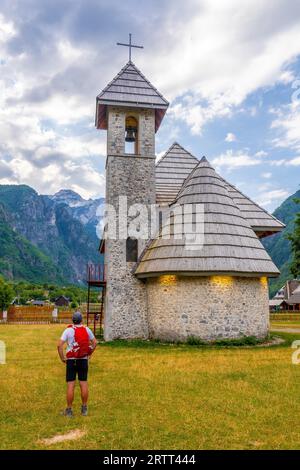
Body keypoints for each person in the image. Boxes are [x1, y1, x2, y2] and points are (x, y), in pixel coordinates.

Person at [57, 311, 97, 417]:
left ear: (72, 320)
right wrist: (89, 354)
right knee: (83, 383)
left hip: (71, 360)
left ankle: (69, 410)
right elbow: (95, 343)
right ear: (81, 320)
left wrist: (62, 358)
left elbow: (59, 345)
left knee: (71, 385)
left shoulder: (68, 330)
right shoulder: (86, 329)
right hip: (83, 359)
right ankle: (84, 409)